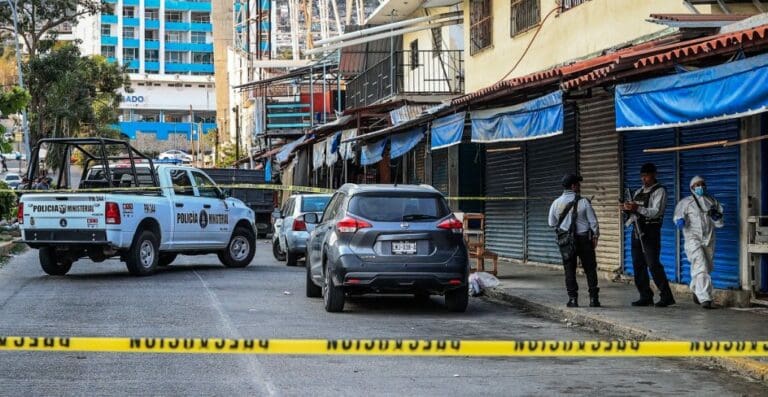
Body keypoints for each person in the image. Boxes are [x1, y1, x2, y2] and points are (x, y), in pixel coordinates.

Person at [622, 163, 676, 307]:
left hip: (650, 232)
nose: (644, 179)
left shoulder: (660, 191)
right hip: (636, 231)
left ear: (654, 175)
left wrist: (637, 208)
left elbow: (656, 212)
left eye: (646, 176)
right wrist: (626, 209)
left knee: (653, 264)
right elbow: (633, 213)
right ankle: (645, 295)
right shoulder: (638, 192)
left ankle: (666, 296)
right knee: (638, 265)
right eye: (642, 176)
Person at [548, 174, 600, 308]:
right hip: (584, 239)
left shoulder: (556, 203)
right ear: (573, 186)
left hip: (566, 241)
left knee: (569, 270)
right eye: (578, 184)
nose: (580, 187)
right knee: (590, 269)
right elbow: (593, 223)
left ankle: (573, 299)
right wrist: (595, 237)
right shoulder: (584, 202)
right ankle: (594, 300)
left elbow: (551, 223)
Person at [673, 176, 724, 309]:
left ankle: (696, 290)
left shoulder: (712, 201)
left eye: (702, 184)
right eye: (697, 185)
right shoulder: (686, 202)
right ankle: (705, 299)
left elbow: (719, 224)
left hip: (709, 239)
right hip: (693, 239)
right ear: (692, 187)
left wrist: (717, 217)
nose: (700, 187)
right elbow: (678, 217)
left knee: (705, 267)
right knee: (701, 266)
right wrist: (680, 221)